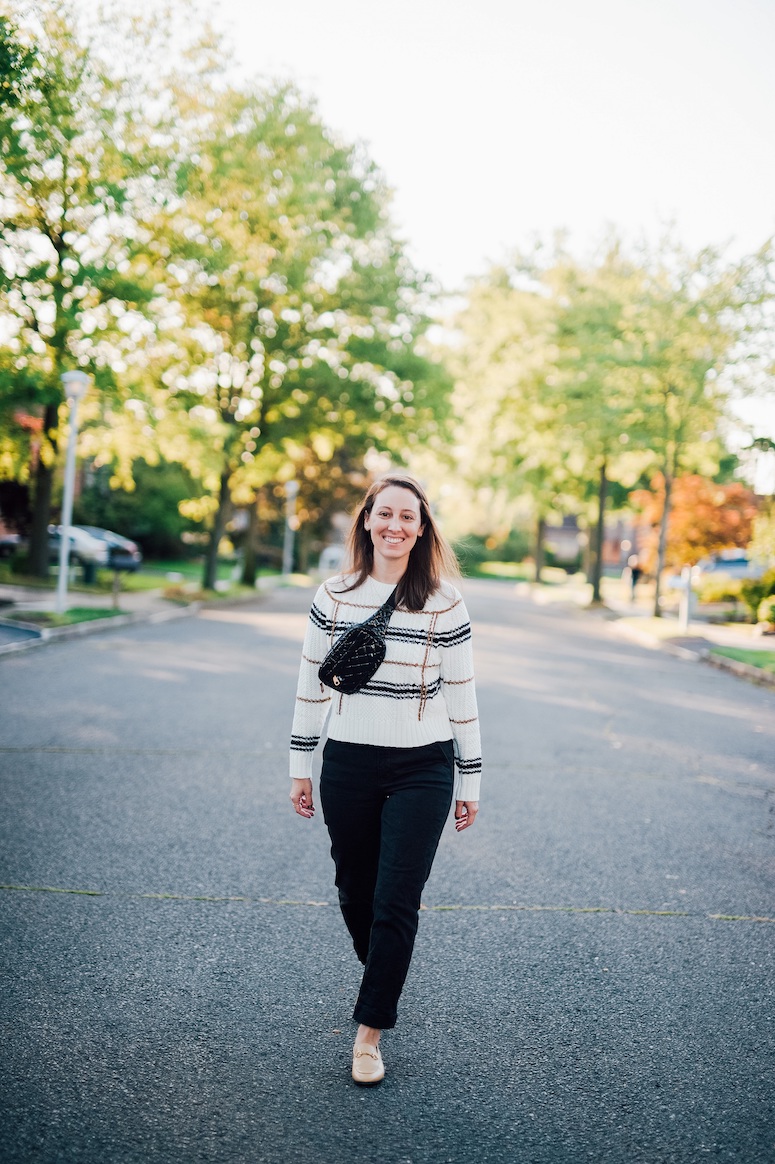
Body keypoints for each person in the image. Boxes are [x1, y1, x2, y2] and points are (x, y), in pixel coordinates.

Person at [289, 474, 482, 1086]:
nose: (395, 527)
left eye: (409, 517)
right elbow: (311, 683)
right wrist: (300, 763)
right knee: (356, 893)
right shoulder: (335, 595)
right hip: (347, 762)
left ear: (422, 529)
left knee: (397, 900)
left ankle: (369, 1033)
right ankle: (385, 971)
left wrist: (470, 778)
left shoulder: (444, 602)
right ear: (367, 521)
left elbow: (462, 693)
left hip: (423, 766)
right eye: (385, 515)